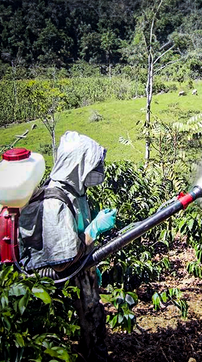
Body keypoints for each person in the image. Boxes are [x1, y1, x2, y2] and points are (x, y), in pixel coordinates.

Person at [19, 131, 116, 362]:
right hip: (66, 288)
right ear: (77, 164)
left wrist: (91, 265)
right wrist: (94, 230)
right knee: (79, 336)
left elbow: (75, 239)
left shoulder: (75, 193)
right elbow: (63, 262)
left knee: (94, 326)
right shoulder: (55, 202)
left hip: (81, 278)